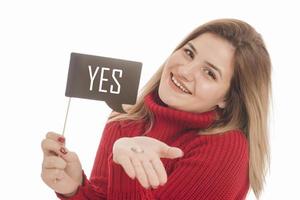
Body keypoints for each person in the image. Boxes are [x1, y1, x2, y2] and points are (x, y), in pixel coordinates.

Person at [41, 18, 272, 200]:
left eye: (209, 73)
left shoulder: (226, 149)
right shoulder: (124, 117)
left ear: (228, 99)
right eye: (189, 53)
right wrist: (75, 189)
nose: (185, 71)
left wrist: (127, 168)